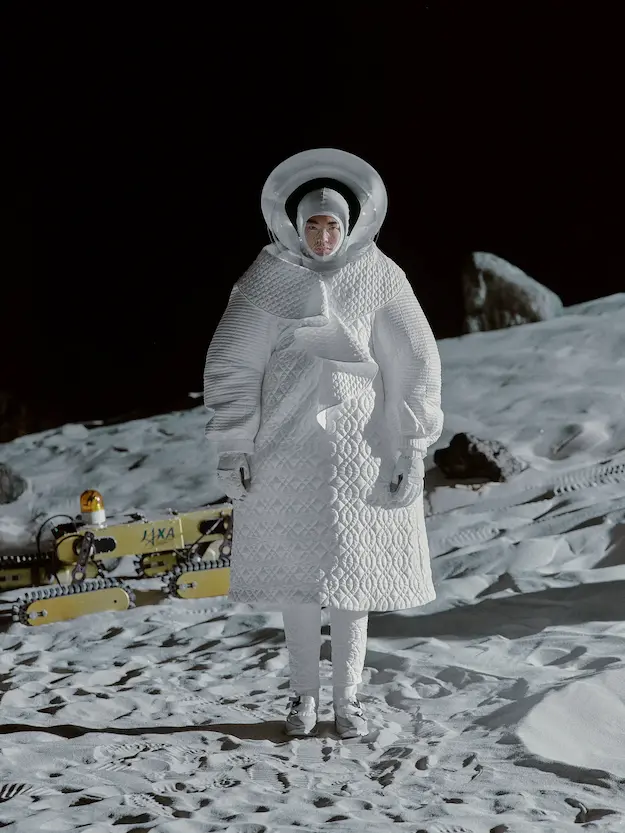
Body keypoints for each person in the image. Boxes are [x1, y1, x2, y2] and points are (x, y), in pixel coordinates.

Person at [203, 148, 444, 739]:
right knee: (299, 580)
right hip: (285, 452)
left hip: (358, 450)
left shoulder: (379, 276)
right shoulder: (266, 280)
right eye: (312, 224)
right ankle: (303, 697)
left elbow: (415, 360)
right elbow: (234, 363)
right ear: (293, 224)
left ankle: (348, 700)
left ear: (349, 225)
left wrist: (411, 445)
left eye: (332, 224)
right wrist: (234, 443)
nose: (322, 235)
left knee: (352, 579)